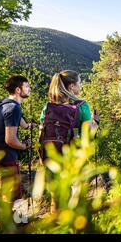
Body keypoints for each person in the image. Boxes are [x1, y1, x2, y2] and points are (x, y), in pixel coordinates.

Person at [39, 70, 98, 213]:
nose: (81, 87)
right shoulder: (82, 106)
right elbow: (89, 132)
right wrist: (96, 122)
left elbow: (42, 131)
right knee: (78, 194)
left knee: (57, 196)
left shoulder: (48, 107)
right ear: (71, 86)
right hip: (74, 157)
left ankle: (56, 224)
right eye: (79, 84)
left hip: (51, 156)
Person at [0, 75, 33, 202]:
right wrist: (24, 146)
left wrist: (27, 126)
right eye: (26, 86)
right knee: (13, 199)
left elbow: (15, 119)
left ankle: (9, 221)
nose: (30, 88)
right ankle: (14, 221)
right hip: (7, 160)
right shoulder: (13, 108)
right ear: (18, 90)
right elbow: (10, 140)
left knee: (3, 198)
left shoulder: (5, 103)